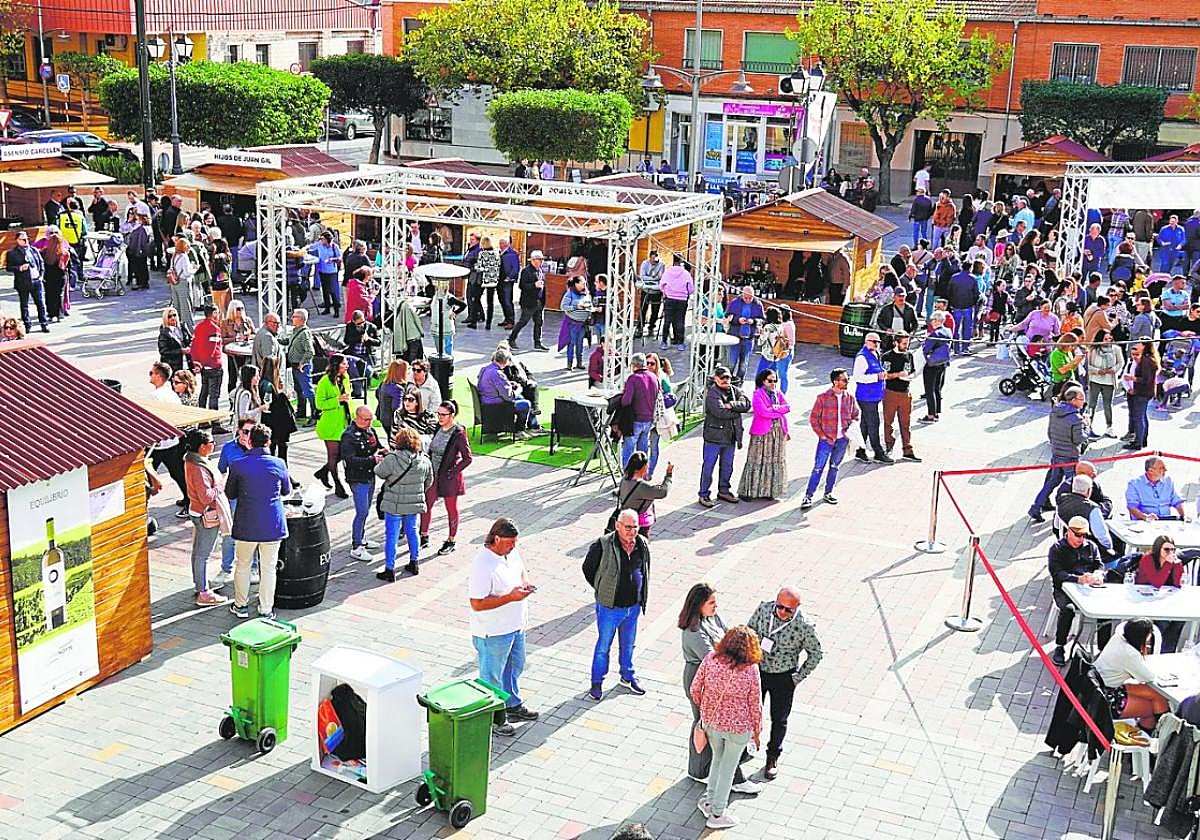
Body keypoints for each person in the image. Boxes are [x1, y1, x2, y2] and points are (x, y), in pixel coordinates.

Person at [678, 584, 760, 793]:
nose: (716, 606)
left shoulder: (713, 618)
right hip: (702, 679)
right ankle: (734, 777)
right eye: (711, 602)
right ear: (699, 605)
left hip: (713, 678)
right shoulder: (694, 631)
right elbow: (714, 657)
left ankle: (698, 770)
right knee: (711, 726)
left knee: (706, 724)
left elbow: (727, 635)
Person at [469, 517, 539, 736]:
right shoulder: (482, 564)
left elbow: (521, 571)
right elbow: (477, 603)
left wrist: (525, 583)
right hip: (493, 632)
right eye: (510, 543)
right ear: (496, 539)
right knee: (492, 677)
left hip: (515, 626)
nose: (513, 547)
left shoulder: (510, 553)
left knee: (514, 667)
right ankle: (493, 719)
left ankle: (512, 705)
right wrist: (510, 597)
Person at [689, 626, 763, 829]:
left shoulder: (711, 659)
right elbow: (755, 704)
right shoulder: (750, 669)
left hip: (712, 723)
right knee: (728, 769)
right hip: (738, 729)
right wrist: (757, 731)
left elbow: (695, 688)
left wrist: (705, 708)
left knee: (717, 760)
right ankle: (717, 813)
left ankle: (708, 800)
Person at [746, 587, 823, 781]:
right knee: (749, 711)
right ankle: (743, 748)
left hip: (783, 676)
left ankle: (772, 757)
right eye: (779, 607)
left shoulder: (804, 626)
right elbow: (748, 632)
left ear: (797, 607)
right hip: (758, 670)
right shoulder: (764, 610)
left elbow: (816, 653)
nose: (782, 612)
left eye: (788, 610)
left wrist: (797, 678)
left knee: (779, 719)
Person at [582, 509, 651, 700]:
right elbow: (588, 569)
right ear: (618, 526)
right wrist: (602, 587)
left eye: (635, 527)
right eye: (627, 527)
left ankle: (627, 676)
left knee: (628, 645)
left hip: (633, 607)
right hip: (609, 608)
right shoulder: (603, 544)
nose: (631, 531)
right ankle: (597, 683)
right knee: (604, 646)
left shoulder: (642, 544)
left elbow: (644, 570)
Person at [223, 424, 289, 620]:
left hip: (247, 523)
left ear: (249, 441)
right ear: (268, 442)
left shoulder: (238, 465)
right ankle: (266, 608)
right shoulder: (279, 463)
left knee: (243, 564)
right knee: (268, 568)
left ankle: (241, 605)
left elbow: (230, 493)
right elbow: (286, 491)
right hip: (272, 522)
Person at [375, 426, 433, 581]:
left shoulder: (392, 459)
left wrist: (380, 460)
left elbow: (379, 472)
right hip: (413, 504)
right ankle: (414, 563)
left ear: (398, 441)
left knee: (392, 536)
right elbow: (429, 482)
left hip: (394, 503)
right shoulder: (425, 460)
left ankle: (390, 569)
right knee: (412, 532)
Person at [1047, 516, 1105, 666]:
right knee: (1068, 609)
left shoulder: (1091, 546)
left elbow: (1099, 565)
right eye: (1078, 535)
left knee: (1105, 612)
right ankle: (1060, 646)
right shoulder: (1057, 549)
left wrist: (1097, 575)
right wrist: (1077, 579)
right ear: (1069, 531)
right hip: (1064, 590)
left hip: (1088, 589)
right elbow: (1057, 574)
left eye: (1084, 535)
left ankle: (1103, 650)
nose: (1081, 539)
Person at [1093, 618, 1170, 730]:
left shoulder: (1118, 638)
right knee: (1152, 709)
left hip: (1099, 686)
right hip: (1105, 698)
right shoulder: (1130, 654)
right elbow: (1148, 677)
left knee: (1156, 695)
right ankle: (1157, 732)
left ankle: (1154, 729)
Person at [181, 428, 230, 607]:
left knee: (197, 553)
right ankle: (204, 593)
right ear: (202, 447)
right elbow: (207, 497)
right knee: (203, 555)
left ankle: (199, 584)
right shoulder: (199, 468)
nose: (213, 445)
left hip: (196, 511)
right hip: (205, 514)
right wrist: (221, 485)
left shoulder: (190, 461)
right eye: (210, 443)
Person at [420, 400, 473, 560]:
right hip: (433, 475)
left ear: (452, 415)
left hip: (449, 478)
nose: (440, 417)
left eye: (443, 414)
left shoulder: (458, 432)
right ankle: (423, 535)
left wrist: (453, 471)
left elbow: (467, 458)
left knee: (451, 508)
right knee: (426, 505)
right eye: (439, 414)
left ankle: (451, 539)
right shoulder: (437, 427)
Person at [801, 368, 858, 509]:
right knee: (818, 468)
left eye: (847, 379)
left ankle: (828, 492)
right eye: (844, 380)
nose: (847, 382)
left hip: (842, 440)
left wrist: (851, 429)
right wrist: (822, 435)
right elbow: (814, 419)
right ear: (835, 381)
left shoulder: (849, 398)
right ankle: (808, 496)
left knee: (834, 467)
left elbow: (855, 415)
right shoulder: (823, 398)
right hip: (826, 440)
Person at [1028, 386, 1085, 523]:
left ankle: (1036, 507)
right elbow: (1078, 439)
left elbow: (1050, 433)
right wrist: (1086, 427)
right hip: (1070, 457)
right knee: (1071, 485)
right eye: (1081, 399)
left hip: (1057, 453)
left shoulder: (1055, 411)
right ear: (1073, 400)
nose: (1083, 402)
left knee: (1052, 481)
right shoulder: (1076, 418)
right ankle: (1066, 513)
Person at [698, 366, 750, 508]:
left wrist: (731, 404)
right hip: (713, 438)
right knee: (708, 467)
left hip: (730, 437)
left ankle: (724, 490)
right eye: (722, 378)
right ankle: (704, 494)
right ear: (715, 379)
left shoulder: (735, 390)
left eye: (728, 377)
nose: (726, 380)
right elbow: (720, 412)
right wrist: (737, 411)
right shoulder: (712, 393)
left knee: (727, 466)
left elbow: (747, 404)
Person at [339, 405, 386, 562]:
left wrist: (383, 450)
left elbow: (376, 445)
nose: (369, 422)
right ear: (357, 418)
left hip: (370, 476)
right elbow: (350, 460)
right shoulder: (348, 436)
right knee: (362, 511)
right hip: (358, 478)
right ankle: (356, 546)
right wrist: (372, 460)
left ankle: (362, 537)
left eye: (371, 419)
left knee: (366, 510)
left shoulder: (370, 430)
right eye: (366, 420)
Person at [737, 368, 790, 501]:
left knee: (774, 461)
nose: (773, 383)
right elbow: (763, 412)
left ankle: (768, 491)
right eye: (770, 381)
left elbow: (787, 407)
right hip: (762, 433)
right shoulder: (757, 394)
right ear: (763, 381)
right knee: (756, 460)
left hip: (777, 433)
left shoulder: (778, 393)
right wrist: (778, 411)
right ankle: (748, 491)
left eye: (775, 381)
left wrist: (774, 408)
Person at [315, 354, 353, 499]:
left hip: (344, 422)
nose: (347, 365)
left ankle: (324, 471)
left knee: (344, 452)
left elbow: (348, 397)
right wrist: (337, 400)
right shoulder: (324, 382)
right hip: (330, 424)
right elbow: (319, 404)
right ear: (337, 365)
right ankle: (338, 485)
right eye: (344, 363)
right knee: (333, 455)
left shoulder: (345, 378)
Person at [851, 332, 891, 465]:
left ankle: (860, 451)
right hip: (866, 396)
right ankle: (878, 452)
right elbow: (858, 377)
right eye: (874, 342)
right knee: (874, 423)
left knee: (866, 423)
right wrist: (877, 377)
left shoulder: (876, 353)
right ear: (866, 341)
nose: (877, 344)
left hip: (874, 396)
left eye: (878, 342)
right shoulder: (862, 357)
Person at [478, 347, 536, 438]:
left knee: (520, 398)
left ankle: (530, 425)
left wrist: (508, 384)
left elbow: (492, 385)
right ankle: (519, 430)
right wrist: (518, 390)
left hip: (486, 401)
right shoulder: (497, 374)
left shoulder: (484, 369)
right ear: (505, 361)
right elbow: (509, 397)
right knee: (526, 404)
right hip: (496, 406)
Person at [880, 333, 921, 462]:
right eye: (904, 343)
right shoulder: (887, 357)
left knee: (906, 424)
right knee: (888, 422)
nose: (906, 346)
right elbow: (884, 375)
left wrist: (910, 377)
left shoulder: (909, 355)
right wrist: (898, 375)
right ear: (895, 343)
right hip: (890, 392)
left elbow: (912, 371)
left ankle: (907, 450)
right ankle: (889, 446)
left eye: (907, 343)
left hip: (905, 393)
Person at [189, 305, 227, 430]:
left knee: (204, 393)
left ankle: (203, 421)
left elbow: (193, 346)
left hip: (203, 367)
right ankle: (215, 423)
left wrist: (197, 363)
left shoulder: (198, 327)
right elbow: (212, 349)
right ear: (214, 313)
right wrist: (203, 363)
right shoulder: (214, 329)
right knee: (214, 395)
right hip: (213, 366)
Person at [617, 452, 672, 538]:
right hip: (640, 524)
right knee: (640, 548)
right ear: (644, 467)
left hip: (625, 520)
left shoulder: (625, 479)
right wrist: (669, 475)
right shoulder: (642, 486)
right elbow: (663, 492)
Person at [619, 353, 660, 467]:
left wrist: (623, 394)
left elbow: (626, 401)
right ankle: (641, 474)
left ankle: (627, 478)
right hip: (649, 420)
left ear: (634, 365)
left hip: (635, 420)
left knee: (629, 450)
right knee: (643, 452)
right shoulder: (654, 377)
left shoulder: (633, 378)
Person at [5, 230, 47, 334]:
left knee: (40, 303)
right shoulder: (12, 253)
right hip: (23, 282)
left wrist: (41, 276)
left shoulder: (33, 250)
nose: (26, 241)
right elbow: (8, 268)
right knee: (24, 305)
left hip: (36, 280)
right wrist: (19, 268)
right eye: (23, 239)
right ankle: (27, 325)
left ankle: (44, 324)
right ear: (17, 240)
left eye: (27, 239)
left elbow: (41, 262)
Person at [1126, 456, 1189, 521]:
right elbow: (1132, 507)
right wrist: (1146, 517)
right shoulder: (1134, 484)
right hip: (1144, 521)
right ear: (1150, 471)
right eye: (1162, 468)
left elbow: (1177, 501)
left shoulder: (1168, 481)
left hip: (1166, 521)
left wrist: (1184, 515)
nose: (1165, 470)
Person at [508, 250, 548, 351]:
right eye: (540, 260)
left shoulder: (540, 270)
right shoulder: (526, 271)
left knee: (539, 322)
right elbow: (522, 285)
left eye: (542, 260)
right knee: (523, 321)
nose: (541, 262)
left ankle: (537, 343)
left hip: (539, 301)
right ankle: (511, 339)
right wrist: (534, 285)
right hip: (528, 302)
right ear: (534, 260)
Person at [724, 286, 765, 384]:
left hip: (748, 338)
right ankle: (727, 383)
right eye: (745, 298)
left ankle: (739, 383)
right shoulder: (735, 302)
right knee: (731, 362)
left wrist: (754, 321)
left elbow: (762, 319)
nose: (748, 300)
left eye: (750, 298)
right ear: (742, 295)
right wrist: (737, 320)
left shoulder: (758, 304)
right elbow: (727, 318)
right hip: (735, 337)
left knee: (744, 364)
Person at [1123, 341, 1159, 451]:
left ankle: (1138, 442)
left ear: (1145, 346)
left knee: (1139, 417)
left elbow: (1146, 379)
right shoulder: (1145, 359)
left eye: (1140, 344)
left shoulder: (1147, 361)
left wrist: (1132, 378)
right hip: (1142, 392)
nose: (1137, 345)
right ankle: (1142, 440)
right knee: (1142, 416)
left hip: (1142, 393)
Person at [1086, 330, 1123, 437]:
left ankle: (1109, 427)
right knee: (1092, 404)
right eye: (1105, 339)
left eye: (1109, 339)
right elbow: (1087, 365)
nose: (1107, 341)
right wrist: (1097, 371)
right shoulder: (1093, 349)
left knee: (1108, 405)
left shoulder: (1116, 349)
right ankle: (1088, 426)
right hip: (1095, 380)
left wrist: (1114, 369)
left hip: (1109, 381)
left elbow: (1120, 363)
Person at [285, 309, 317, 423]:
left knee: (307, 390)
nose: (292, 318)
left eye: (294, 316)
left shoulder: (304, 333)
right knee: (299, 390)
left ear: (301, 319)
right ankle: (301, 411)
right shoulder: (296, 331)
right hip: (296, 366)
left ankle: (315, 414)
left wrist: (302, 363)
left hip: (301, 367)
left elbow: (310, 351)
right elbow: (289, 342)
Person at [919, 312, 952, 423]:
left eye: (932, 319)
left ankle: (931, 415)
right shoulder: (948, 331)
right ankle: (937, 412)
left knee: (929, 390)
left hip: (932, 364)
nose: (931, 322)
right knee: (937, 388)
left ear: (937, 320)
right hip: (942, 363)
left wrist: (924, 342)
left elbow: (926, 349)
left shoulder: (935, 334)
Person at [342, 310, 380, 398]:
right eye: (358, 324)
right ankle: (357, 391)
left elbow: (379, 342)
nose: (362, 324)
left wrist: (369, 339)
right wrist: (358, 338)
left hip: (367, 355)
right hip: (353, 354)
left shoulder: (371, 327)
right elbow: (346, 340)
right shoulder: (350, 326)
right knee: (354, 371)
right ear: (353, 322)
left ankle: (367, 384)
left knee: (368, 371)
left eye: (363, 322)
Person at [659, 254, 693, 351]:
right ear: (681, 262)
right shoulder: (686, 273)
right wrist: (685, 293)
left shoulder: (667, 272)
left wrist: (666, 292)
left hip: (669, 299)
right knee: (680, 321)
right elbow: (691, 288)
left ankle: (664, 342)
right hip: (682, 300)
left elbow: (661, 285)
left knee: (667, 321)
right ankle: (680, 343)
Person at [221, 300, 256, 394]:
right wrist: (235, 339)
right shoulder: (225, 323)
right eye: (238, 309)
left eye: (242, 308)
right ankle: (231, 397)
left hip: (246, 352)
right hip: (233, 353)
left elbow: (255, 334)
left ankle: (247, 395)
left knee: (247, 377)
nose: (240, 311)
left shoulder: (247, 321)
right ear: (232, 310)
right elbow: (222, 340)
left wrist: (248, 336)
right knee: (233, 377)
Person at [559, 275, 592, 370]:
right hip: (572, 323)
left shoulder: (586, 293)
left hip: (582, 324)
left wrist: (590, 309)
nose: (584, 285)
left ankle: (579, 362)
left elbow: (590, 304)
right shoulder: (570, 294)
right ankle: (569, 364)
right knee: (571, 343)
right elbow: (563, 307)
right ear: (576, 284)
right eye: (582, 283)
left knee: (580, 343)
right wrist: (576, 307)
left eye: (585, 283)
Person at [307, 230, 342, 316]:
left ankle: (336, 310)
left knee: (332, 291)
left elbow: (339, 258)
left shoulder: (334, 247)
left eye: (323, 239)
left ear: (327, 239)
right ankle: (327, 308)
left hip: (332, 272)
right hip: (322, 270)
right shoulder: (319, 244)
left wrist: (332, 259)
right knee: (325, 290)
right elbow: (310, 247)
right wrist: (304, 249)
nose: (321, 240)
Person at [167, 236, 196, 333]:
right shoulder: (184, 257)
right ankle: (189, 330)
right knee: (186, 307)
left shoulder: (174, 255)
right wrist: (194, 269)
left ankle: (177, 329)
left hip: (174, 283)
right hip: (183, 282)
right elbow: (187, 272)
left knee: (177, 306)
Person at [636, 250, 665, 340]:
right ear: (650, 258)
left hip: (656, 291)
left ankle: (651, 326)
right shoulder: (645, 264)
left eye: (655, 260)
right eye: (652, 260)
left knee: (655, 310)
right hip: (646, 289)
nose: (654, 262)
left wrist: (654, 278)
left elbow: (661, 277)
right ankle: (640, 327)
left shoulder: (661, 265)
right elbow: (642, 276)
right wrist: (652, 278)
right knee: (643, 309)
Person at [497, 237, 520, 329]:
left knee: (507, 301)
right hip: (499, 280)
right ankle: (506, 319)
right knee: (501, 299)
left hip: (507, 281)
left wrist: (510, 277)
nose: (500, 245)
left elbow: (515, 268)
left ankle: (511, 321)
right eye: (500, 243)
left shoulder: (512, 254)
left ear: (506, 244)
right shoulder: (500, 253)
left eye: (502, 243)